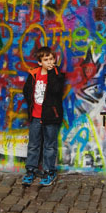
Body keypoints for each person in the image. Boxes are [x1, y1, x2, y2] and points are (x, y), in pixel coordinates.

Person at [22, 46, 66, 187]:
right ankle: (30, 170)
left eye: (51, 59)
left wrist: (51, 72)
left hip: (51, 117)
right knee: (33, 145)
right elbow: (26, 90)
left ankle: (49, 171)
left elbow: (56, 90)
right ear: (40, 62)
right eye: (46, 60)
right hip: (35, 116)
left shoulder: (57, 74)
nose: (49, 62)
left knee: (49, 146)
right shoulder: (34, 74)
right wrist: (31, 105)